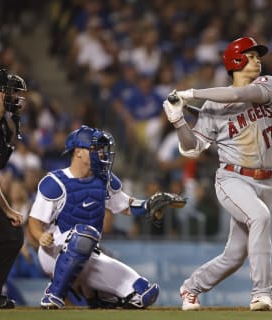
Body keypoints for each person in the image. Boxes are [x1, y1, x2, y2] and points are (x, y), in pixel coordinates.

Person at [163, 37, 272, 311]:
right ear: (236, 60)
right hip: (233, 178)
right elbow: (193, 147)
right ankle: (262, 294)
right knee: (260, 216)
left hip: (268, 181)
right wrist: (179, 120)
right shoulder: (212, 106)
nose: (257, 60)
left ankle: (190, 287)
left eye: (257, 56)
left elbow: (238, 95)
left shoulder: (270, 85)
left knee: (234, 256)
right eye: (251, 56)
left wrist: (191, 94)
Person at [27, 125, 186, 309]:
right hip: (53, 251)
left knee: (143, 293)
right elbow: (34, 221)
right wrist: (40, 236)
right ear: (78, 152)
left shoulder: (104, 179)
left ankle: (97, 296)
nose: (101, 153)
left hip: (88, 252)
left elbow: (125, 206)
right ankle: (54, 295)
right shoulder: (54, 182)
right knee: (85, 235)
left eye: (101, 148)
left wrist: (148, 205)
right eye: (94, 148)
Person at [0, 69, 27, 309]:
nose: (13, 97)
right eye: (8, 91)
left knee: (11, 232)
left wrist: (6, 208)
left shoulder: (0, 126)